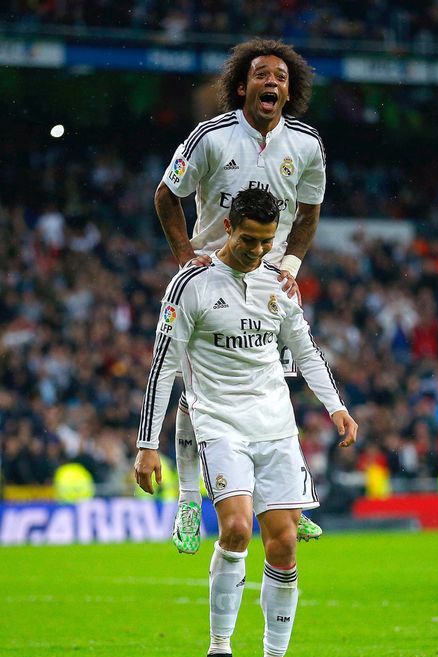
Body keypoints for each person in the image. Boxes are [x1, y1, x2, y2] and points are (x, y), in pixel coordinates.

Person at [135, 188, 358, 657]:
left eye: (267, 241)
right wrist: (147, 442)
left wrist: (337, 406)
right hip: (218, 424)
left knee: (282, 542)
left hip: (275, 426)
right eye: (250, 240)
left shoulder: (279, 285)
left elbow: (305, 349)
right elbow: (163, 365)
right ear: (230, 227)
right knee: (236, 529)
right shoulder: (189, 283)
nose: (258, 250)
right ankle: (219, 654)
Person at [155, 38, 327, 553]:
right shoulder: (210, 136)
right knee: (196, 390)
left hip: (268, 285)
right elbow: (167, 194)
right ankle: (189, 497)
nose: (271, 82)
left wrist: (291, 264)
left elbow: (310, 210)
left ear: (289, 90)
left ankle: (291, 494)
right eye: (261, 75)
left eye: (280, 77)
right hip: (210, 278)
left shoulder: (307, 145)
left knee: (276, 382)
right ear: (241, 86)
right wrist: (187, 255)